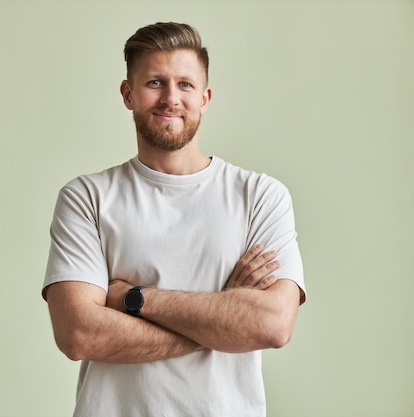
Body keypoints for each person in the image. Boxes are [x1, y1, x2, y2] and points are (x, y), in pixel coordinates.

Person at [42, 22, 306, 417]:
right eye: (155, 83)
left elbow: (272, 325)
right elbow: (78, 334)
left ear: (205, 96)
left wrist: (133, 299)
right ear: (128, 94)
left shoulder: (260, 196)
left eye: (185, 84)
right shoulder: (87, 199)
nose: (171, 98)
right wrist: (223, 318)